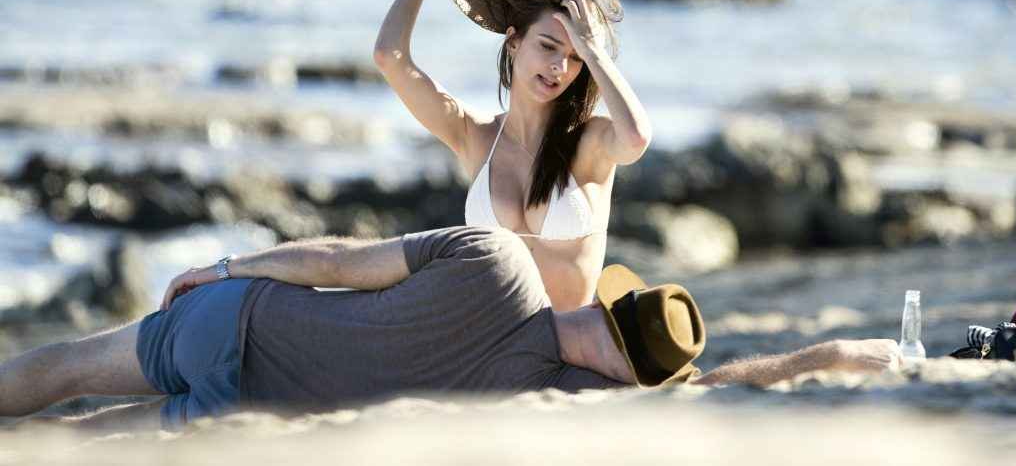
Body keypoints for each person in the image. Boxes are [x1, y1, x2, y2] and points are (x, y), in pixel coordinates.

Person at [0, 226, 902, 431]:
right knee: (87, 442)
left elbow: (339, 259)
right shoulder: (565, 403)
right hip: (247, 412)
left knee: (73, 362)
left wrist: (230, 265)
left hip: (240, 315)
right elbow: (715, 391)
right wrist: (823, 358)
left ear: (604, 300)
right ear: (635, 375)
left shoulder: (500, 258)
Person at [375, 0, 646, 312]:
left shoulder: (590, 140)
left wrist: (595, 52)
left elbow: (635, 138)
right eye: (548, 47)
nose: (558, 67)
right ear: (514, 42)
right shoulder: (476, 135)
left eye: (574, 58)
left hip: (566, 344)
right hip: (488, 337)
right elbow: (390, 57)